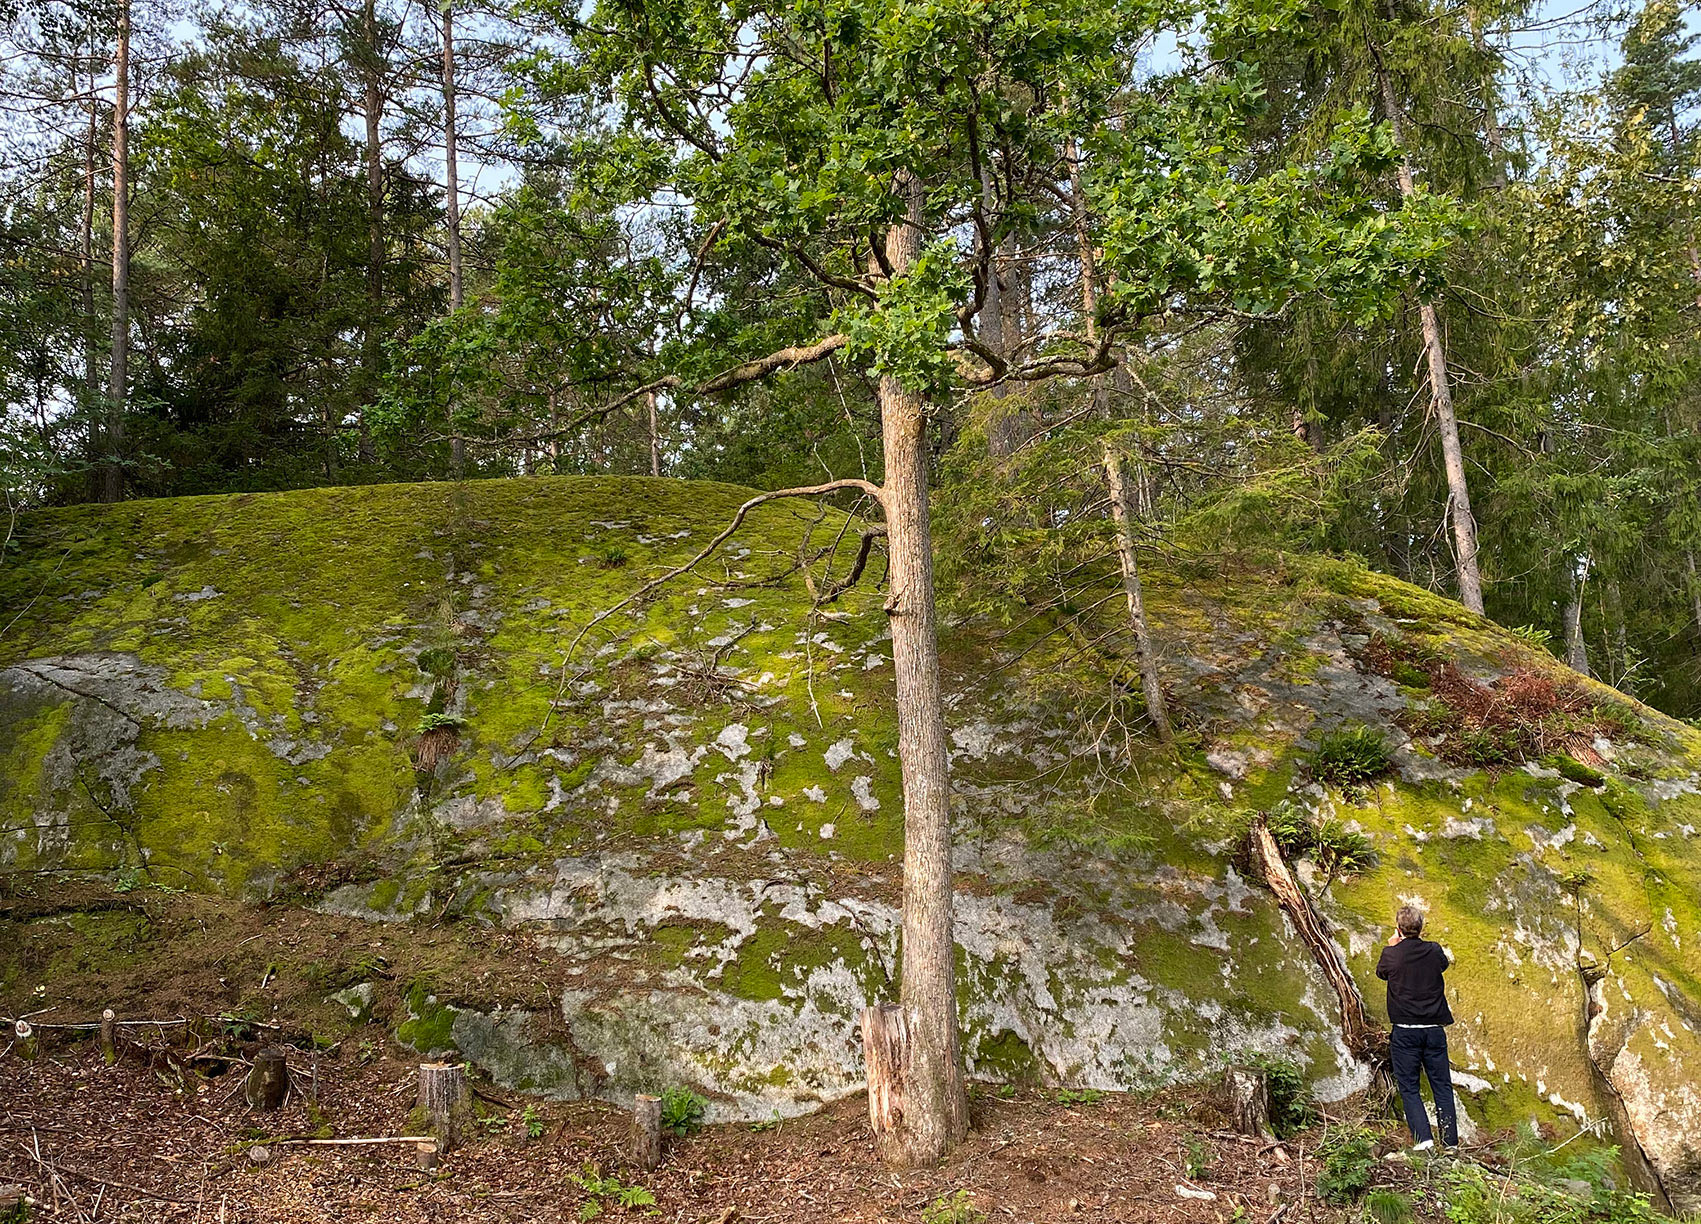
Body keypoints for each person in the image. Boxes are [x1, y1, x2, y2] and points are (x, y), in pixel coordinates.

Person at [1376, 904, 1458, 1151]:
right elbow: (1442, 964)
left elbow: (1382, 973)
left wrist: (1394, 946)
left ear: (1398, 929)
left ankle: (1424, 1140)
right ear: (1421, 928)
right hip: (1434, 1029)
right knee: (1442, 1084)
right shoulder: (1433, 950)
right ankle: (1450, 1142)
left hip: (1405, 1030)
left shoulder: (1391, 953)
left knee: (1409, 1085)